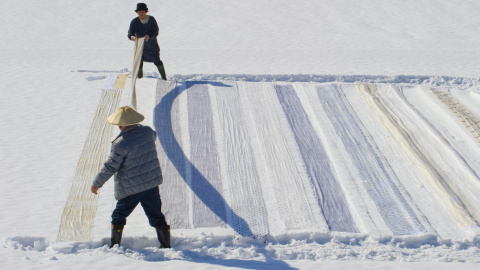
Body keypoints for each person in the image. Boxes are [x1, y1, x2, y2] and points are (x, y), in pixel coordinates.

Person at [90, 106, 171, 249]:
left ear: (121, 125)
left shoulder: (120, 144)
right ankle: (166, 245)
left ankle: (115, 245)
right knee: (156, 215)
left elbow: (110, 166)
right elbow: (152, 136)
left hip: (131, 187)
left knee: (119, 215)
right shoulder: (148, 132)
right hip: (151, 185)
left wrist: (97, 183)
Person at [128, 3, 167, 80]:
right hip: (140, 46)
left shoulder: (151, 19)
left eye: (142, 11)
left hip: (152, 45)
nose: (141, 13)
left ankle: (164, 78)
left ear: (146, 11)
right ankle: (140, 79)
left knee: (157, 61)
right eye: (139, 11)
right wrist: (132, 37)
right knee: (139, 62)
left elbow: (156, 31)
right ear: (137, 12)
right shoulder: (134, 22)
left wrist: (149, 35)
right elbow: (130, 33)